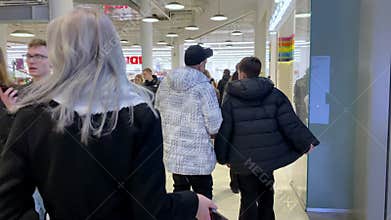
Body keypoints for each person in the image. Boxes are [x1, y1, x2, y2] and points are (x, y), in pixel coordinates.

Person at [0, 8, 215, 220]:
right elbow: (149, 208)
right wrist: (191, 202)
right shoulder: (139, 115)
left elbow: (7, 203)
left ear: (58, 50)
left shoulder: (32, 114)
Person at [215, 57, 319, 220]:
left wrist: (222, 156)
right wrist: (306, 143)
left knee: (248, 199)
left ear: (241, 74)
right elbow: (289, 122)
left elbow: (225, 129)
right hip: (267, 160)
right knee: (266, 196)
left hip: (243, 160)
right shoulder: (274, 94)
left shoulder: (231, 97)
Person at [155, 45, 222, 199]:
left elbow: (157, 111)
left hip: (175, 154)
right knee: (203, 197)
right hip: (197, 157)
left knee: (180, 194)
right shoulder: (204, 87)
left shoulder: (166, 83)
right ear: (201, 64)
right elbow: (214, 124)